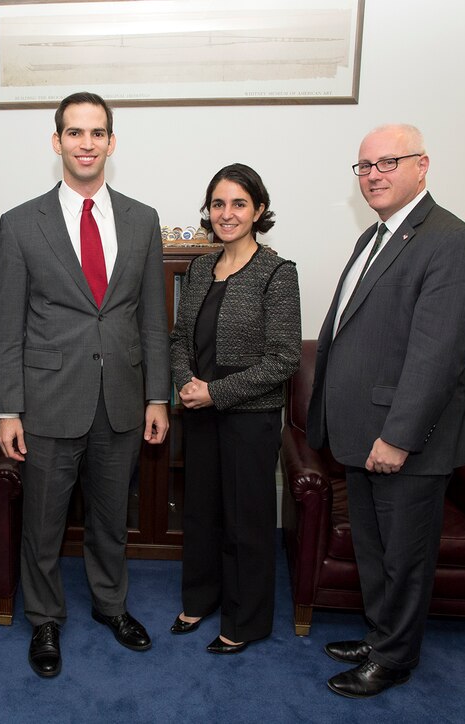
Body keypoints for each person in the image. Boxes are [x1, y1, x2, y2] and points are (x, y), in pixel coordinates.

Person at [0, 92, 170, 678]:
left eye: (97, 133)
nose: (86, 143)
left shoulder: (143, 220)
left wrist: (158, 395)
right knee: (42, 522)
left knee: (111, 517)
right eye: (74, 133)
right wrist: (7, 409)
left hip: (120, 398)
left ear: (111, 143)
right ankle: (45, 618)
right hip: (47, 401)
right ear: (57, 142)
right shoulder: (20, 224)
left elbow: (151, 320)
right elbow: (8, 326)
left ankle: (110, 605)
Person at [306, 124, 465, 698]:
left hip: (401, 440)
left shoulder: (448, 239)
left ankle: (395, 658)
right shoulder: (377, 236)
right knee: (375, 552)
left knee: (404, 559)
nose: (373, 175)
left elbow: (438, 355)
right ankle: (382, 635)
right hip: (361, 433)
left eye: (387, 163)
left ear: (422, 165)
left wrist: (399, 437)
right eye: (364, 167)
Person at [169, 163, 301, 654]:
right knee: (201, 512)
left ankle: (244, 622)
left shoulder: (277, 273)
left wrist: (217, 392)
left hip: (250, 418)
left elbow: (285, 359)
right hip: (200, 413)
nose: (227, 214)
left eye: (238, 204)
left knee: (245, 520)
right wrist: (186, 382)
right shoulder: (200, 267)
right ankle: (200, 599)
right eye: (218, 204)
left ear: (258, 210)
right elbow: (181, 338)